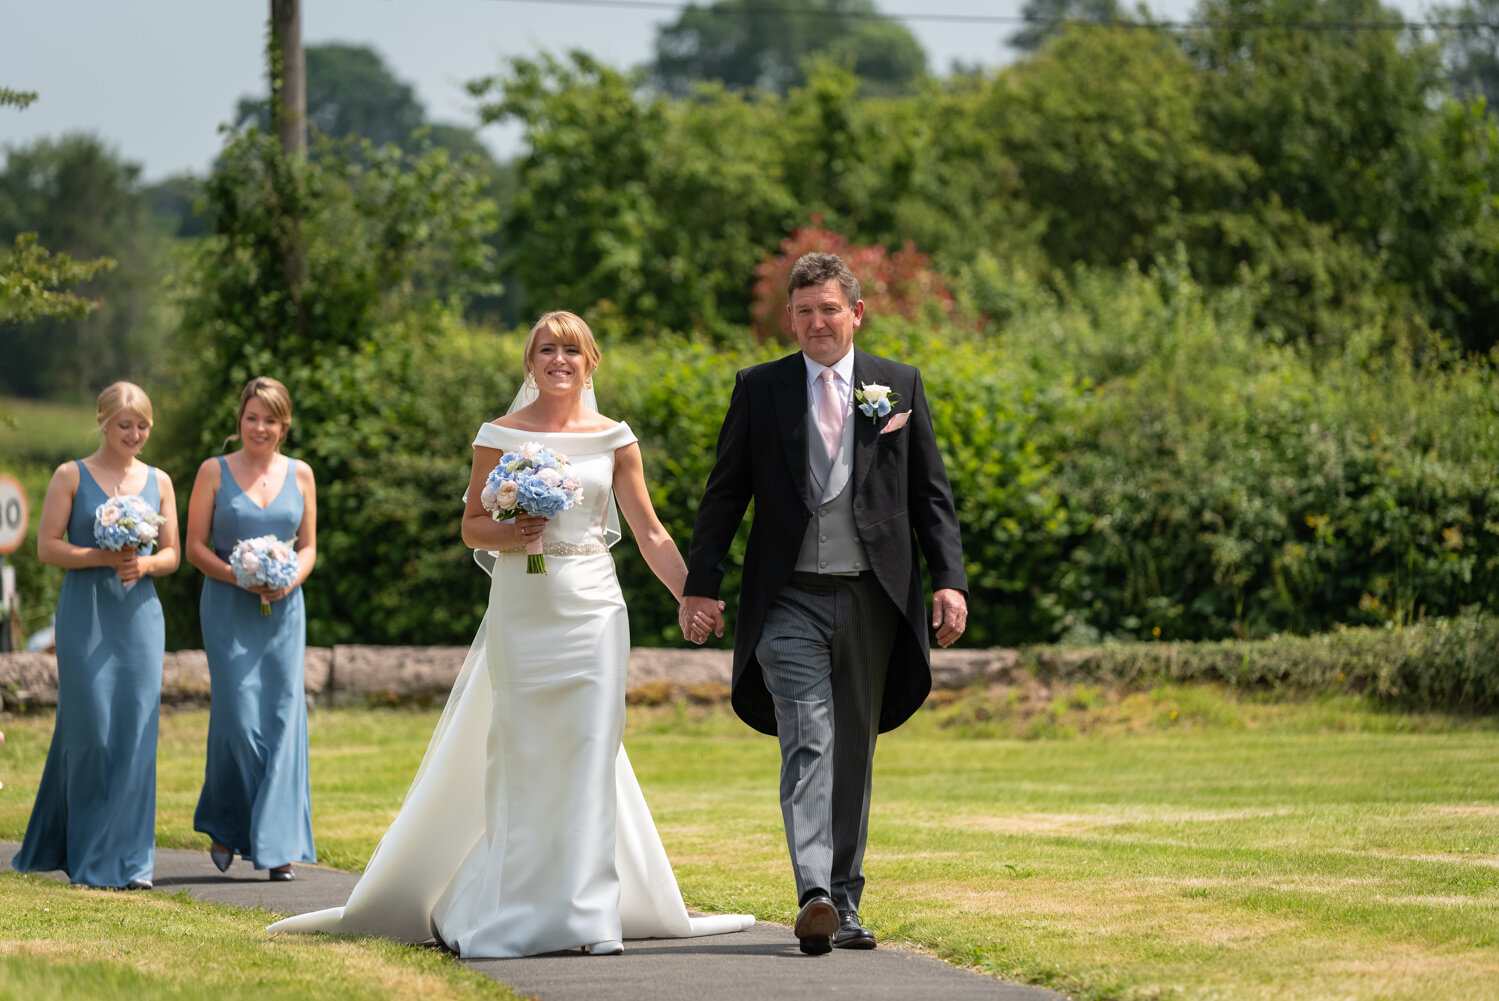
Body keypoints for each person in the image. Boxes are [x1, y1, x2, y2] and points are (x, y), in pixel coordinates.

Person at [267, 311, 752, 956]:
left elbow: (650, 531)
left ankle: (587, 916)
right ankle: (513, 904)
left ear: (590, 363)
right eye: (547, 350)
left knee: (589, 752)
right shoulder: (498, 435)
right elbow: (471, 526)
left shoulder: (616, 438)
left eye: (571, 351)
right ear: (531, 363)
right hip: (524, 606)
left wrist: (693, 593)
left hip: (595, 609)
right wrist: (511, 531)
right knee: (523, 754)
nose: (559, 360)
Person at [680, 252, 968, 955]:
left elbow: (930, 493)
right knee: (808, 737)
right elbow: (725, 493)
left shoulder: (897, 385)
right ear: (790, 317)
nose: (815, 322)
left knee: (853, 752)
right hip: (789, 599)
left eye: (828, 309)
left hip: (874, 597)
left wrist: (948, 578)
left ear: (855, 314)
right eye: (803, 311)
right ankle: (814, 891)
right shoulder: (761, 388)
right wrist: (701, 584)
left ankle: (845, 898)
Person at [13, 381, 180, 890]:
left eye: (142, 426)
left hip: (140, 619)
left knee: (135, 732)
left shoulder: (161, 481)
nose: (133, 434)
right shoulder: (71, 475)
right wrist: (102, 557)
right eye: (124, 425)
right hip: (85, 615)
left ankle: (133, 862)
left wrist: (145, 563)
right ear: (103, 421)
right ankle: (86, 855)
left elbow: (173, 555)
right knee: (91, 732)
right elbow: (46, 547)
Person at [185, 376, 317, 882]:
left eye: (270, 419)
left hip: (284, 610)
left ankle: (276, 845)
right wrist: (238, 576)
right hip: (226, 607)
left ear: (284, 425)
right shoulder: (212, 472)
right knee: (238, 721)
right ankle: (226, 822)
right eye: (251, 417)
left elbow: (308, 547)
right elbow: (196, 546)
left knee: (283, 721)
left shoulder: (301, 474)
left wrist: (287, 580)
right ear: (240, 420)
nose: (259, 427)